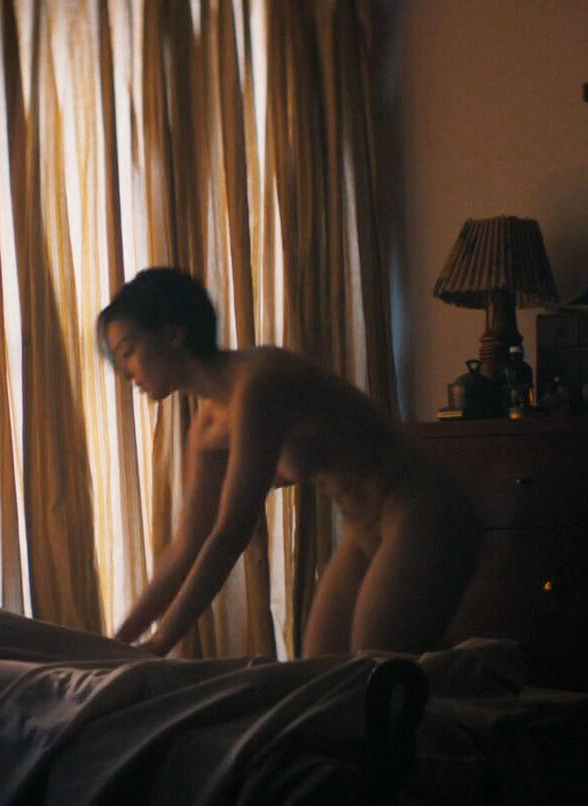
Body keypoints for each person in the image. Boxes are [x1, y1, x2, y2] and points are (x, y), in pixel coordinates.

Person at [102, 268, 479, 656]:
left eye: (128, 352)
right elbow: (186, 547)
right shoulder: (208, 429)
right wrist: (117, 644)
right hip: (363, 531)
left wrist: (160, 643)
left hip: (424, 511)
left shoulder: (258, 381)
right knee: (323, 673)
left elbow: (232, 531)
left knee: (374, 670)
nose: (125, 372)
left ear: (172, 335)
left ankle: (484, 669)